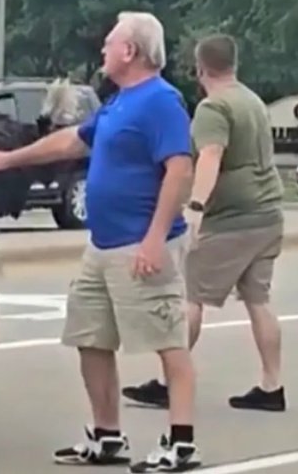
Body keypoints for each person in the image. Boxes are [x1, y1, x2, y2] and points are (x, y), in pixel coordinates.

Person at [0, 11, 201, 472]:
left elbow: (180, 169)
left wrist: (155, 239)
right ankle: (107, 436)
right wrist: (9, 159)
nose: (103, 48)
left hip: (141, 245)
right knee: (90, 338)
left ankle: (180, 443)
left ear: (130, 51)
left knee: (168, 341)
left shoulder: (161, 102)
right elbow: (73, 143)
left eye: (110, 41)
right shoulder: (118, 104)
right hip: (102, 246)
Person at [122, 34, 287, 413]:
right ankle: (272, 384)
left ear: (199, 69)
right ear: (234, 64)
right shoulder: (252, 101)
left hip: (233, 219)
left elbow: (210, 156)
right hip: (268, 213)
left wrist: (194, 206)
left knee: (191, 299)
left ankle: (168, 383)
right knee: (259, 300)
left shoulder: (214, 108)